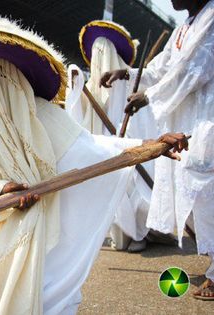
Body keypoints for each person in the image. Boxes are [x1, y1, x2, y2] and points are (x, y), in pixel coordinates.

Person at [0, 17, 188, 314]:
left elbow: (92, 150)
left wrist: (151, 146)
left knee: (47, 296)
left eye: (1, 74)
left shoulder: (41, 113)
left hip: (44, 234)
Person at [101, 0, 214, 300]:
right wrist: (127, 73)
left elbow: (195, 70)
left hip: (208, 119)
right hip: (187, 122)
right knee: (192, 192)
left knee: (207, 194)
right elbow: (161, 69)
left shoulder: (213, 17)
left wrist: (149, 96)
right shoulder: (185, 27)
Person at [68, 20, 175, 253]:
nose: (99, 57)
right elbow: (83, 113)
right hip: (109, 148)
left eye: (103, 52)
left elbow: (145, 118)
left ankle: (142, 232)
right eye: (95, 52)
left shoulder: (129, 82)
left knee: (135, 187)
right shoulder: (94, 84)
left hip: (131, 147)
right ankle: (128, 234)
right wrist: (77, 85)